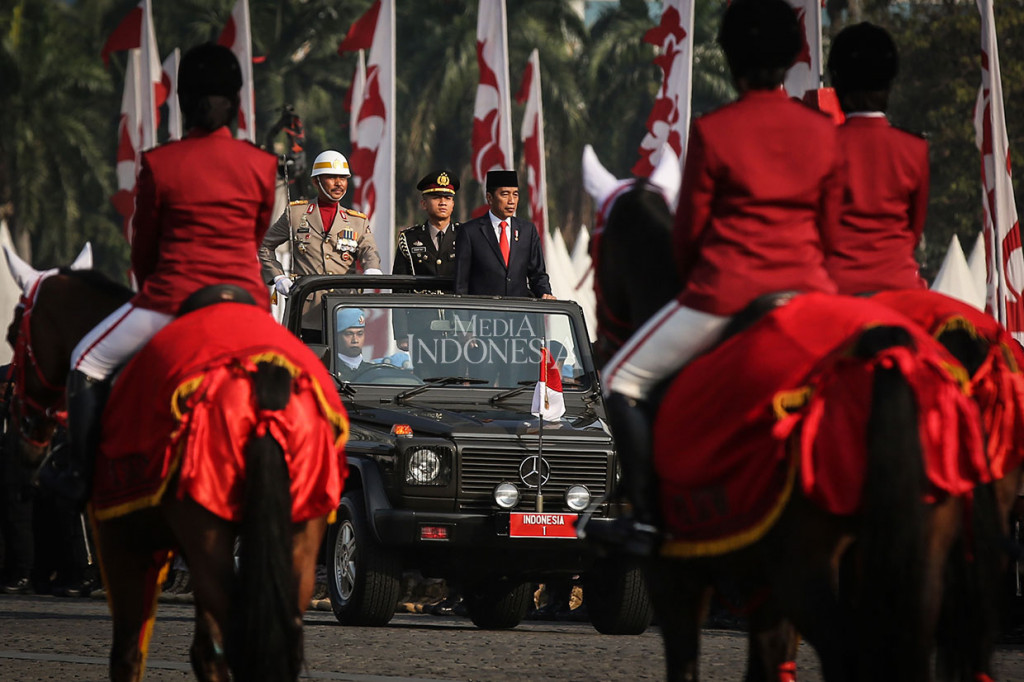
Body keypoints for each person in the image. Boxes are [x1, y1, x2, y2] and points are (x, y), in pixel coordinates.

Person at [596, 0, 842, 553]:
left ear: (731, 59)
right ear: (792, 57)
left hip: (726, 294)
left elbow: (688, 235)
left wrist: (694, 278)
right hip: (812, 295)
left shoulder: (713, 130)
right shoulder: (824, 131)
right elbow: (830, 230)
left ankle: (649, 518)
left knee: (618, 382)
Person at [52, 44, 278, 505]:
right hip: (246, 304)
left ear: (184, 102)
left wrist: (151, 284)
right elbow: (255, 236)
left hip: (172, 299)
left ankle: (81, 478)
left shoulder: (160, 163)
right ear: (236, 102)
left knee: (85, 362)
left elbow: (144, 249)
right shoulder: (262, 164)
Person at [824, 22, 929, 294]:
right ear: (889, 84)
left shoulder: (822, 145)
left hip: (837, 286)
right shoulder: (915, 149)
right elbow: (913, 232)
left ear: (837, 82)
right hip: (900, 285)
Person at [258, 149, 383, 330]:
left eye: (343, 178)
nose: (338, 183)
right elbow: (264, 246)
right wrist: (278, 277)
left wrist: (371, 268)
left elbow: (369, 250)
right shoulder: (296, 213)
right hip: (305, 310)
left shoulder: (357, 221)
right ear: (316, 181)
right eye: (331, 177)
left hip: (344, 310)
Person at [454, 169, 554, 299]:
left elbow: (538, 274)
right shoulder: (470, 232)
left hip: (519, 309)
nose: (511, 200)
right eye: (505, 194)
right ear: (489, 198)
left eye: (515, 194)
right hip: (484, 310)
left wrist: (545, 293)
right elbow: (461, 283)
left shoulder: (527, 231)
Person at [393, 170, 460, 278]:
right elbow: (400, 282)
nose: (442, 203)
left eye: (447, 198)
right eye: (436, 197)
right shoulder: (409, 239)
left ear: (453, 204)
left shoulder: (464, 235)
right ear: (424, 204)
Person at [335, 308, 369, 382]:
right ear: (337, 336)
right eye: (348, 334)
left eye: (360, 334)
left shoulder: (372, 371)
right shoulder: (331, 370)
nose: (355, 340)